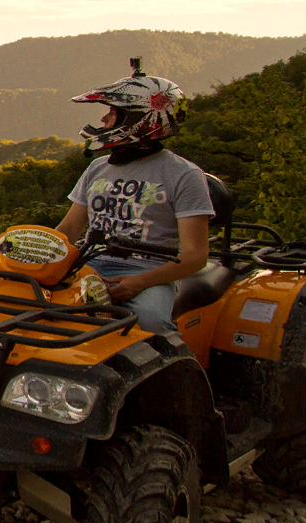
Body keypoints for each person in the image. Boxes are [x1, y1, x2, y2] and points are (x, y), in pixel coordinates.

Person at [55, 63, 214, 333]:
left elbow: (196, 255)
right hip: (89, 262)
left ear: (139, 120)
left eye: (114, 113)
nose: (104, 119)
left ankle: (174, 370)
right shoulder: (99, 167)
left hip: (150, 271)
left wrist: (140, 281)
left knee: (149, 321)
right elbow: (69, 229)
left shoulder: (184, 175)